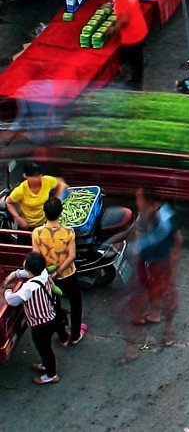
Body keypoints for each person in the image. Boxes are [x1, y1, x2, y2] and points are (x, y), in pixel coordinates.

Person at [129, 189, 183, 347]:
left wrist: (173, 261)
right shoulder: (145, 214)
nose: (138, 203)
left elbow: (178, 239)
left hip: (160, 260)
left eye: (140, 200)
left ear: (151, 203)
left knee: (165, 293)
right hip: (147, 258)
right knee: (150, 287)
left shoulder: (165, 217)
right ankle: (154, 313)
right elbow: (139, 231)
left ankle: (168, 331)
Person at [32, 194, 83, 348]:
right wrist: (59, 270)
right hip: (68, 275)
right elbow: (72, 256)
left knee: (55, 306)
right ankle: (75, 335)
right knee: (75, 303)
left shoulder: (37, 233)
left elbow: (36, 257)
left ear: (44, 213)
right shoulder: (68, 232)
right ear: (61, 214)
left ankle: (62, 337)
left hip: (48, 277)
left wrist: (50, 274)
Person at [5, 251, 61, 383]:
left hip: (40, 325)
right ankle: (45, 365)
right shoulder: (43, 273)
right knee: (45, 346)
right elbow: (25, 273)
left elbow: (13, 301)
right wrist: (14, 274)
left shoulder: (28, 288)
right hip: (50, 318)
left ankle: (51, 375)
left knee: (44, 347)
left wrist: (7, 291)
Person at [5, 161, 66, 228]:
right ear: (26, 176)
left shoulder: (46, 181)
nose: (37, 179)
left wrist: (57, 197)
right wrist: (18, 219)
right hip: (28, 226)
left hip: (45, 224)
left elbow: (61, 184)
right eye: (33, 176)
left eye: (38, 175)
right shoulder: (21, 190)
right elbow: (8, 202)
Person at [113, 0, 148, 87]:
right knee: (138, 57)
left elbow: (124, 20)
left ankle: (135, 82)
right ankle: (137, 76)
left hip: (131, 34)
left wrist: (114, 29)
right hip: (139, 27)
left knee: (131, 58)